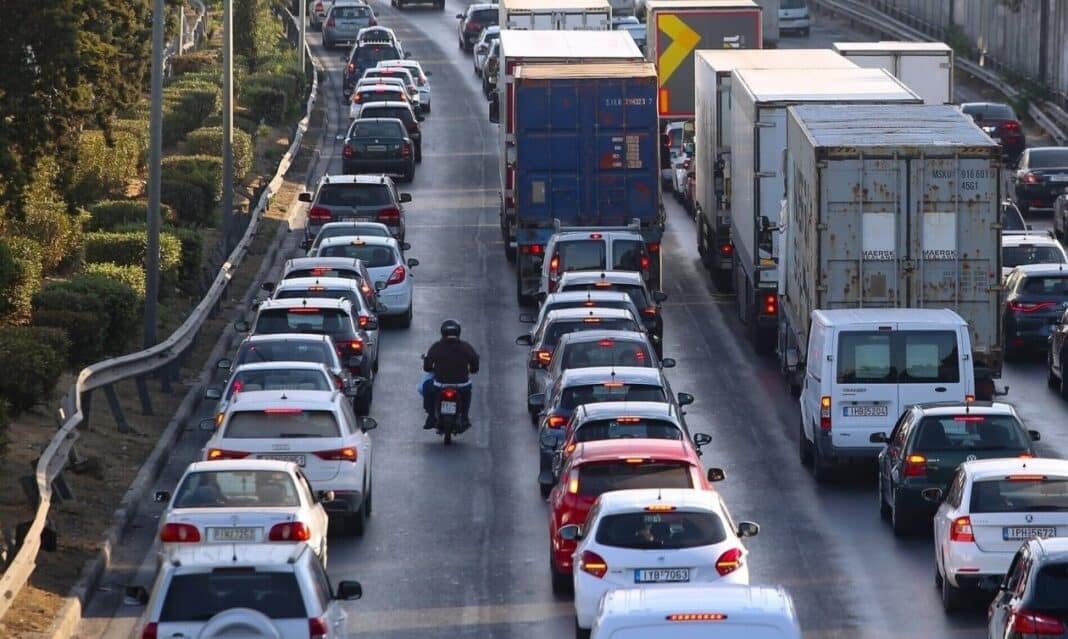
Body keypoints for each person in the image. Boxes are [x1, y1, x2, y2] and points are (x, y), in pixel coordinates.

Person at [423, 319, 479, 430]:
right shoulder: (465, 347)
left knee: (426, 386)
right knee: (467, 394)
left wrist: (433, 368)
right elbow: (475, 364)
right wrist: (472, 370)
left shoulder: (436, 347)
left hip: (440, 385)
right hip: (462, 385)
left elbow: (427, 367)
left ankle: (431, 417)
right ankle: (464, 418)